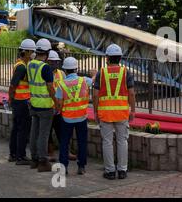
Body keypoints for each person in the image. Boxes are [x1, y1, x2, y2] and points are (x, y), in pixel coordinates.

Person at [93, 44, 136, 180]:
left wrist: (95, 112)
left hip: (105, 114)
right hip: (122, 113)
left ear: (107, 58)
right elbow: (132, 93)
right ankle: (122, 170)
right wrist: (133, 110)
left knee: (107, 142)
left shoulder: (101, 73)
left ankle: (110, 171)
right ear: (120, 58)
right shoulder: (126, 72)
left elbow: (95, 95)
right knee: (122, 141)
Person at [56, 57, 92, 175]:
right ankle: (81, 166)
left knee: (64, 142)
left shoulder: (61, 85)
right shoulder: (84, 80)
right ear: (76, 69)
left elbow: (59, 103)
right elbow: (96, 81)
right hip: (82, 117)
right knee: (82, 142)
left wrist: (59, 112)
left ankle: (64, 167)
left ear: (65, 70)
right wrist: (95, 74)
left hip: (67, 118)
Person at [27, 38, 57, 172]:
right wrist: (56, 102)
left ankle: (34, 159)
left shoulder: (30, 64)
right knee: (43, 135)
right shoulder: (45, 68)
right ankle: (43, 161)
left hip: (34, 104)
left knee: (34, 133)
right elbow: (51, 88)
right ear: (48, 52)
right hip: (45, 106)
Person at [8, 39, 37, 165]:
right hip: (21, 102)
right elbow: (12, 85)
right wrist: (11, 99)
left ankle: (13, 154)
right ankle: (20, 156)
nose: (33, 54)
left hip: (18, 101)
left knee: (16, 128)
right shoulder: (21, 67)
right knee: (23, 129)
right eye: (32, 51)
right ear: (26, 52)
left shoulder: (21, 64)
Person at [46, 50, 68, 162]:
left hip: (59, 108)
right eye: (53, 62)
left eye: (56, 62)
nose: (55, 64)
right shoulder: (45, 72)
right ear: (48, 61)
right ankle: (50, 151)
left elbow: (65, 89)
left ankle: (66, 151)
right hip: (48, 106)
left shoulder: (61, 73)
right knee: (48, 131)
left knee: (61, 130)